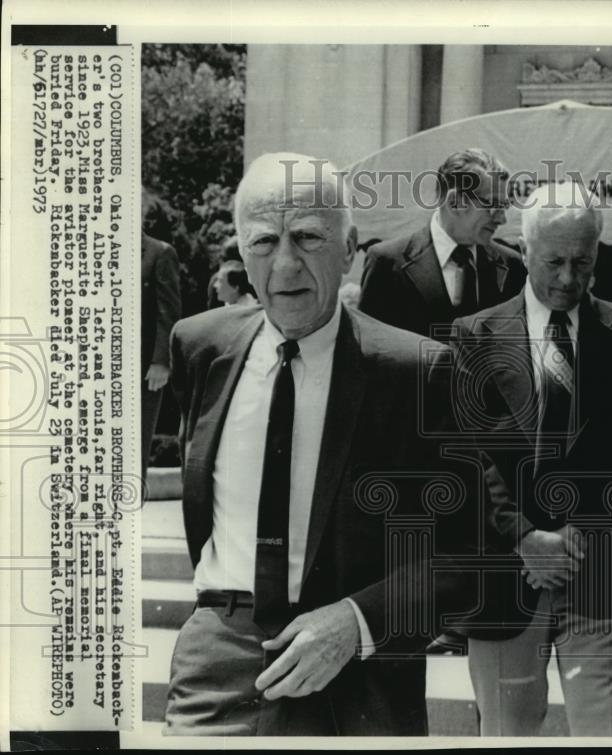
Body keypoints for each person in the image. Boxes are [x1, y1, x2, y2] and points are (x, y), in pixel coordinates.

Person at [163, 152, 479, 736]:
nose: (285, 264)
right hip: (219, 666)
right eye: (263, 242)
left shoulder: (418, 371)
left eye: (308, 237)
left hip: (360, 674)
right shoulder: (200, 346)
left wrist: (356, 621)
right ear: (240, 248)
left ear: (350, 246)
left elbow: (469, 554)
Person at [451, 182, 612, 736]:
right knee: (505, 731)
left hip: (599, 569)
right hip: (503, 572)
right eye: (554, 262)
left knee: (600, 731)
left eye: (583, 262)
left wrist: (575, 537)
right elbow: (467, 459)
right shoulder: (473, 336)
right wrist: (524, 536)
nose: (569, 278)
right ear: (524, 252)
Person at [359, 147, 527, 340]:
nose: (502, 219)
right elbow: (369, 352)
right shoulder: (387, 263)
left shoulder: (512, 266)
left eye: (504, 206)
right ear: (455, 202)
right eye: (494, 206)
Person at [141, 191, 182, 480]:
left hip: (144, 370)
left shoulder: (160, 252)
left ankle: (129, 517)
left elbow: (168, 311)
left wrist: (161, 361)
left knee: (135, 442)